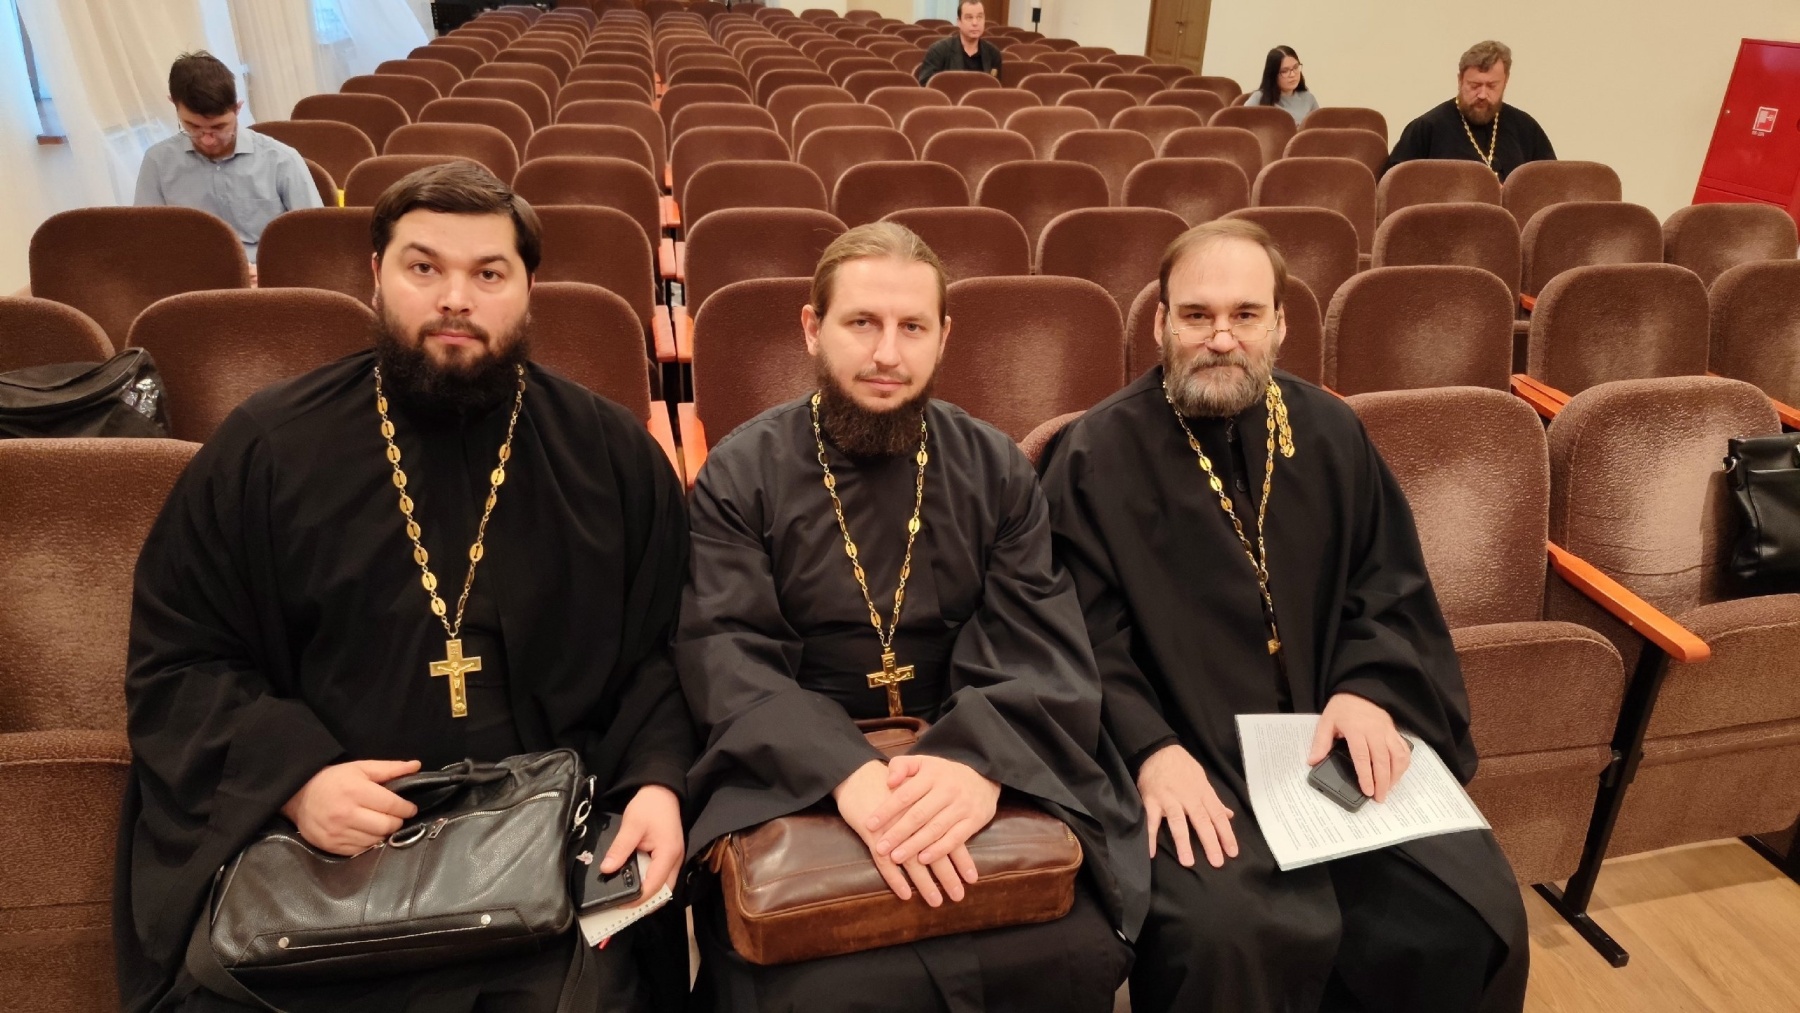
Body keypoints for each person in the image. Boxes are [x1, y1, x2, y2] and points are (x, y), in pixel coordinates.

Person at [113, 162, 694, 1013]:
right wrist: (295, 779)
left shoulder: (612, 457)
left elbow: (669, 653)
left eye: (488, 273)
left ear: (528, 289)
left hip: (552, 858)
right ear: (376, 275)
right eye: (425, 267)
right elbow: (181, 658)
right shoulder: (268, 450)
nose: (456, 298)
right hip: (329, 870)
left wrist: (657, 779)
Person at [1040, 219, 1529, 1013]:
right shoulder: (1096, 455)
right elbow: (1080, 638)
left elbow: (1387, 586)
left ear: (1280, 323)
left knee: (1468, 915)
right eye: (1196, 315)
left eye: (1245, 314)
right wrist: (1148, 749)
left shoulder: (1331, 432)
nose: (1221, 338)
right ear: (1160, 323)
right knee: (1228, 934)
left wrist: (1369, 689)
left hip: (1324, 742)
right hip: (1190, 756)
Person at [676, 222, 1147, 1012]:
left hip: (974, 746)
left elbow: (1036, 637)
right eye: (862, 322)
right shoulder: (741, 473)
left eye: (912, 327)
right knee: (814, 985)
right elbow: (726, 650)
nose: (887, 353)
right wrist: (845, 770)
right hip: (794, 765)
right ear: (812, 328)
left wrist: (977, 761)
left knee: (1075, 942)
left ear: (944, 337)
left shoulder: (995, 467)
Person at [135, 52, 322, 272]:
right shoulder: (157, 162)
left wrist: (272, 270)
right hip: (193, 276)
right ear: (173, 104)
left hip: (270, 274)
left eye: (219, 127)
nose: (207, 139)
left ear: (238, 108)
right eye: (193, 127)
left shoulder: (281, 160)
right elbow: (148, 241)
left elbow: (315, 239)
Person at [1386, 40, 1555, 180]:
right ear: (1460, 80)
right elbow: (1396, 187)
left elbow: (1549, 185)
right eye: (1474, 85)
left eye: (1492, 86)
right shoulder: (1426, 128)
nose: (1482, 94)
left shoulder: (1526, 128)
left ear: (1505, 81)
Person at [916, 0, 1002, 85]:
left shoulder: (993, 53)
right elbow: (927, 85)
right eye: (969, 18)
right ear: (959, 22)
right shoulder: (939, 51)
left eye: (979, 17)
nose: (975, 23)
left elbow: (994, 88)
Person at [1244, 46, 1318, 125]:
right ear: (1273, 74)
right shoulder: (1259, 98)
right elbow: (1242, 124)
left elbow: (1318, 128)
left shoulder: (1308, 98)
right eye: (1284, 71)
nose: (1292, 74)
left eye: (1296, 67)